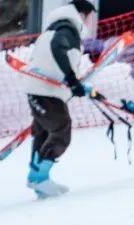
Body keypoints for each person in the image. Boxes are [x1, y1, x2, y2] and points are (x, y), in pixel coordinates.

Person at [22, 0, 98, 199]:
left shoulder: (53, 27)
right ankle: (39, 177)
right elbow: (58, 47)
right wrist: (71, 80)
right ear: (82, 14)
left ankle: (39, 180)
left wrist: (71, 84)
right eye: (90, 17)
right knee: (61, 130)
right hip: (46, 93)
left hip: (40, 91)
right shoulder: (67, 29)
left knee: (43, 132)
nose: (91, 22)